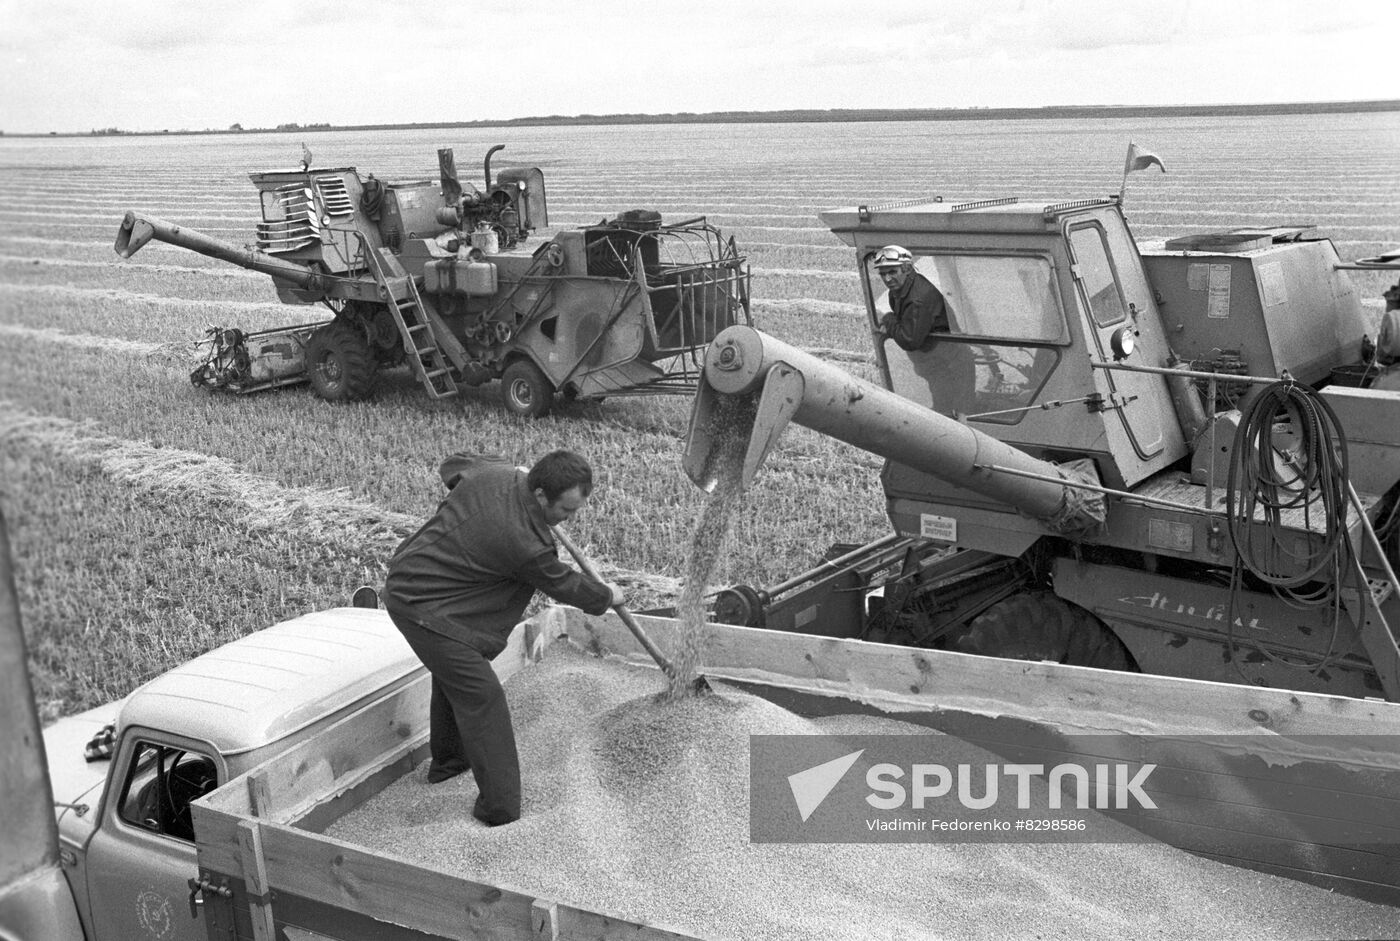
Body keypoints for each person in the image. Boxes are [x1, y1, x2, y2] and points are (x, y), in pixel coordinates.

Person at [383, 449, 623, 826]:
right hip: (421, 606)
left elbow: (452, 466)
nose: (569, 519)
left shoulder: (492, 472)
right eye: (566, 510)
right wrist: (607, 596)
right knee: (483, 696)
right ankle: (500, 811)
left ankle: (449, 764)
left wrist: (502, 476)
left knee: (457, 677)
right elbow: (563, 583)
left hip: (433, 590)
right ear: (540, 495)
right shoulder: (525, 544)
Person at [871, 244, 951, 351]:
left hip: (945, 353)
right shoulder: (898, 290)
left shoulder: (917, 299)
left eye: (892, 272)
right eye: (883, 274)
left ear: (908, 269)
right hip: (931, 350)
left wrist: (888, 319)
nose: (887, 279)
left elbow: (909, 341)